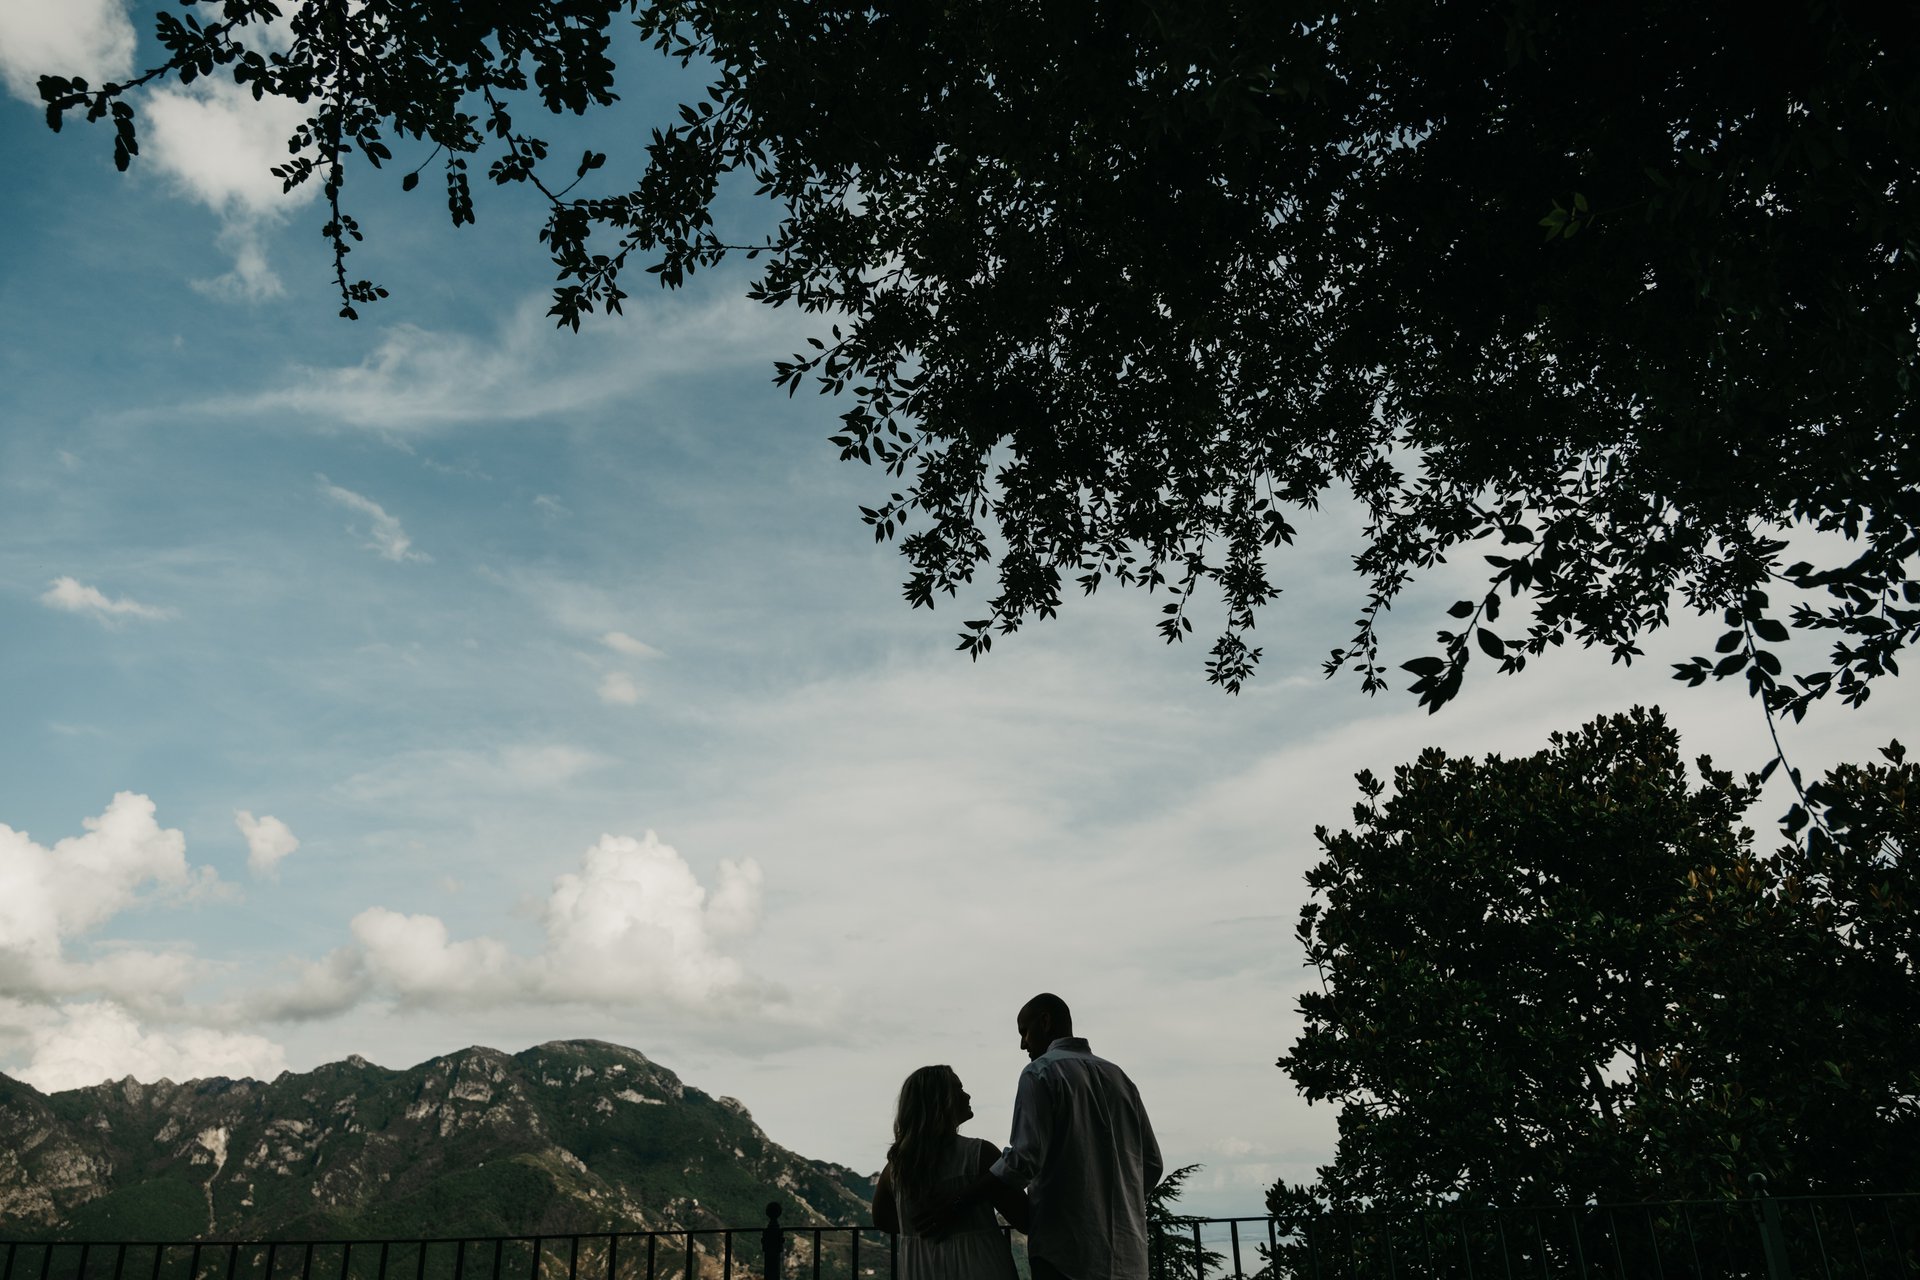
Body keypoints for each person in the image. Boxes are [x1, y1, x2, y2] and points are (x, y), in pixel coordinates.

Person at [933, 994, 1162, 1280]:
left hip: (1065, 1254)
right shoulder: (1120, 1078)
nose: (1022, 1044)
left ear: (1045, 1022)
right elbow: (1152, 1164)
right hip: (1130, 1257)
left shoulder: (1040, 1072)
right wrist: (1111, 1202)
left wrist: (959, 1201)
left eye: (1024, 1031)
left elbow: (1022, 1160)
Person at [874, 1065, 1028, 1280]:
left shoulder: (896, 1169)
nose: (967, 1095)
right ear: (940, 1102)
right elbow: (1023, 1217)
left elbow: (882, 1220)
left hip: (920, 1269)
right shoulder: (980, 1154)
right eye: (959, 1089)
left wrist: (924, 1230)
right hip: (981, 1265)